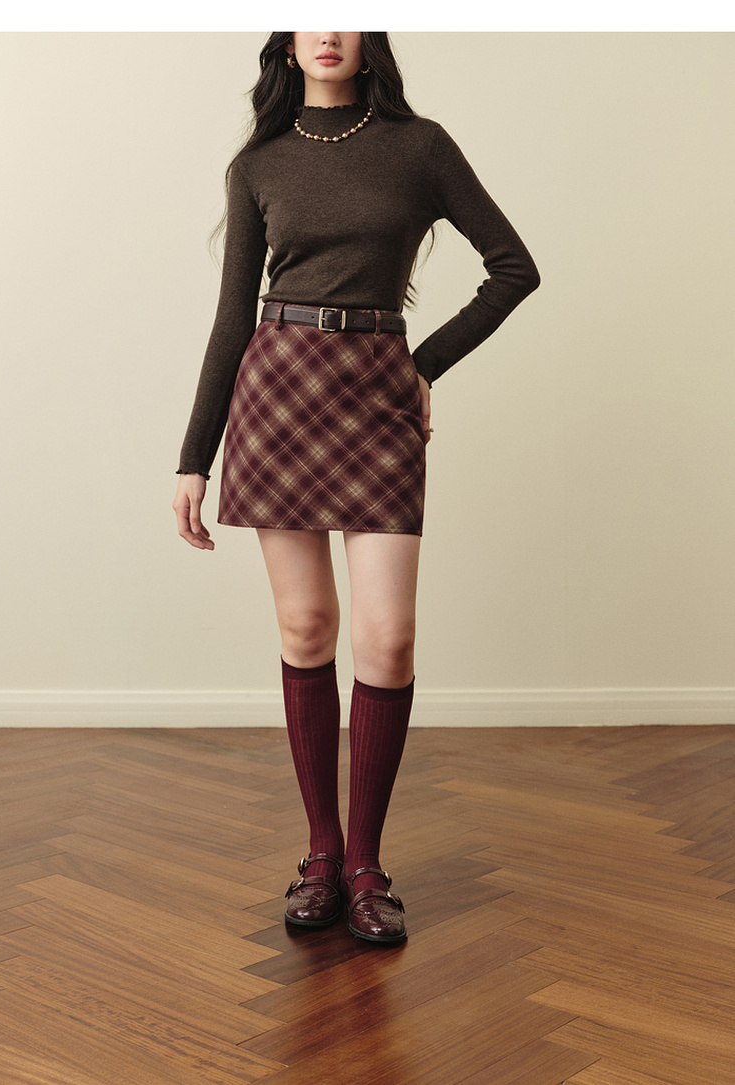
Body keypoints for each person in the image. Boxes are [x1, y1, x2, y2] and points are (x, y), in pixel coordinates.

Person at [173, 32, 539, 945]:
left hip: (377, 393)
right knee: (306, 626)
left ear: (371, 38)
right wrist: (193, 457)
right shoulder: (259, 163)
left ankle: (369, 864)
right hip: (277, 391)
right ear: (289, 43)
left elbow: (514, 267)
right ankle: (322, 856)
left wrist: (423, 364)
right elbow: (232, 315)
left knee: (388, 636)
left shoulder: (420, 146)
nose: (329, 29)